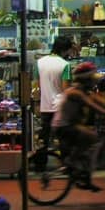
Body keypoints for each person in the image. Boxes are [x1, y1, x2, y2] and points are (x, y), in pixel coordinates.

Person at [55, 61, 105, 191]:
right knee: (92, 137)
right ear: (86, 80)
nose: (94, 82)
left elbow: (99, 101)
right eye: (92, 79)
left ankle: (82, 169)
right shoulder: (75, 92)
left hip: (72, 124)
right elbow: (92, 105)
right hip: (64, 126)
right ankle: (72, 163)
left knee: (91, 138)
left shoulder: (85, 91)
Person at [32, 36, 73, 169]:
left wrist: (38, 103)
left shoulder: (39, 63)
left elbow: (37, 86)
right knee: (63, 137)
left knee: (44, 136)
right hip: (60, 106)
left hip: (45, 106)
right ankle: (66, 164)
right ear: (65, 50)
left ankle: (40, 164)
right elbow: (65, 88)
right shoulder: (65, 65)